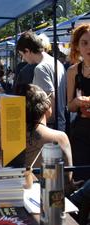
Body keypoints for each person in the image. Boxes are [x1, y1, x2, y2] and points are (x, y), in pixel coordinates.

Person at [16, 84, 73, 173]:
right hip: (52, 186)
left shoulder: (11, 138)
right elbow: (67, 178)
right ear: (46, 106)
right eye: (49, 98)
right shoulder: (59, 137)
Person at [16, 31, 67, 131]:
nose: (24, 59)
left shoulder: (40, 68)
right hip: (61, 125)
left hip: (50, 127)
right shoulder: (57, 63)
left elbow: (49, 103)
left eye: (22, 55)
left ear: (27, 51)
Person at [66, 24, 90, 181]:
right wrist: (76, 101)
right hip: (81, 133)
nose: (89, 47)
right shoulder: (73, 71)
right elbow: (69, 107)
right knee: (81, 179)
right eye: (85, 42)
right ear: (77, 46)